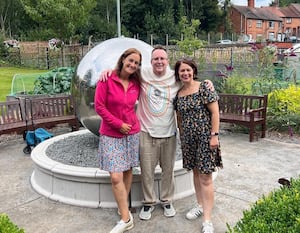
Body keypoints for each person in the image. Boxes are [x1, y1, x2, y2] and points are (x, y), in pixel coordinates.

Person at [100, 45, 215, 221]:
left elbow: (190, 79)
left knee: (168, 170)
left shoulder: (175, 77)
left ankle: (167, 200)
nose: (159, 62)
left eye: (162, 58)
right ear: (151, 61)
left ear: (167, 61)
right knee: (147, 171)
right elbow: (124, 72)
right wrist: (108, 71)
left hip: (169, 132)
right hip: (146, 131)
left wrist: (208, 82)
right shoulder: (142, 74)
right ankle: (148, 202)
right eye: (156, 59)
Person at [94, 48, 142, 233]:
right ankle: (126, 219)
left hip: (132, 133)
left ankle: (123, 207)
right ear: (123, 60)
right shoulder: (106, 79)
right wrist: (118, 124)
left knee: (128, 168)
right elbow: (99, 107)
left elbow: (162, 79)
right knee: (116, 176)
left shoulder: (136, 83)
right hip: (111, 133)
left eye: (136, 63)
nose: (132, 65)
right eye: (130, 60)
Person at [173, 58, 223, 233]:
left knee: (206, 177)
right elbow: (179, 117)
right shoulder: (178, 94)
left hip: (205, 138)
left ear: (194, 71)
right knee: (195, 174)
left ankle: (207, 220)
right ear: (178, 74)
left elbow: (215, 112)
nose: (185, 73)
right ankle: (200, 205)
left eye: (188, 70)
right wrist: (181, 135)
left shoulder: (204, 88)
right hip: (188, 141)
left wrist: (214, 136)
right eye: (182, 71)